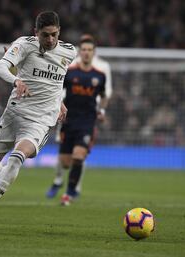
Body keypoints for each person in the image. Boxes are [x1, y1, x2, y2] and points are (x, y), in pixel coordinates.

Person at [0, 11, 77, 225]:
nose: (50, 40)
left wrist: (59, 102)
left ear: (59, 32)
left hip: (41, 120)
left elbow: (58, 80)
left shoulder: (69, 51)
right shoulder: (25, 44)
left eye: (54, 34)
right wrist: (16, 80)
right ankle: (6, 174)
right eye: (45, 35)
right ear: (35, 32)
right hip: (13, 114)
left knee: (18, 156)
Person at [46, 34, 109, 205]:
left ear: (94, 53)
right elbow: (57, 90)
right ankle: (60, 181)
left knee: (79, 156)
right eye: (84, 50)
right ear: (79, 52)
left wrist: (101, 110)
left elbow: (103, 96)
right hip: (68, 121)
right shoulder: (70, 72)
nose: (86, 53)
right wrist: (58, 107)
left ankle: (69, 193)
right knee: (66, 163)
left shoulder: (100, 75)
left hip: (87, 122)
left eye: (90, 50)